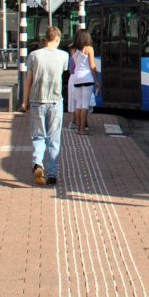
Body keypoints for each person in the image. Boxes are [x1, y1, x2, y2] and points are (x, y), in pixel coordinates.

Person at [22, 26, 66, 187]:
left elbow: (28, 82)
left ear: (44, 39)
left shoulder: (34, 56)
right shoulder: (63, 56)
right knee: (54, 138)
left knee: (38, 136)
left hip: (37, 101)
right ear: (57, 39)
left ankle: (38, 164)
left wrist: (24, 101)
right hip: (55, 101)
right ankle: (52, 174)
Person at [67, 28, 100, 135]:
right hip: (87, 78)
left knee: (78, 104)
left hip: (76, 78)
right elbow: (92, 66)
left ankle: (78, 128)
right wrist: (97, 81)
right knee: (85, 105)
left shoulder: (72, 49)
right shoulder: (89, 48)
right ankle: (82, 129)